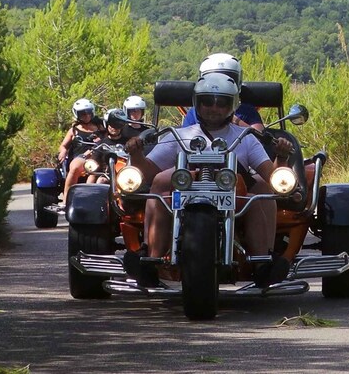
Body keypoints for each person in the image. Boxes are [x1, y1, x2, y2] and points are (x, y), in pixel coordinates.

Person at [125, 73, 293, 288]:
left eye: (222, 102)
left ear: (232, 104)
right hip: (182, 200)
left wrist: (282, 156)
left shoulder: (246, 137)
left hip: (235, 202)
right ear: (197, 103)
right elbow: (147, 173)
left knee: (257, 196)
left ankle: (262, 263)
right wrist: (136, 153)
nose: (214, 108)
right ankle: (150, 258)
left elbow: (273, 178)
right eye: (207, 102)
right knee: (159, 186)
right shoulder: (178, 135)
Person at [181, 53, 264, 130]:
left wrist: (234, 120)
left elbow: (260, 137)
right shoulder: (196, 112)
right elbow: (184, 137)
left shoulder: (246, 111)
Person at [58, 98, 105, 205]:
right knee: (74, 168)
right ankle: (66, 200)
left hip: (99, 157)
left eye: (88, 112)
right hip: (81, 158)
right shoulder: (74, 130)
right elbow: (63, 146)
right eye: (82, 113)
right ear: (77, 114)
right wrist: (63, 151)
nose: (86, 115)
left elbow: (109, 139)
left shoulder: (100, 127)